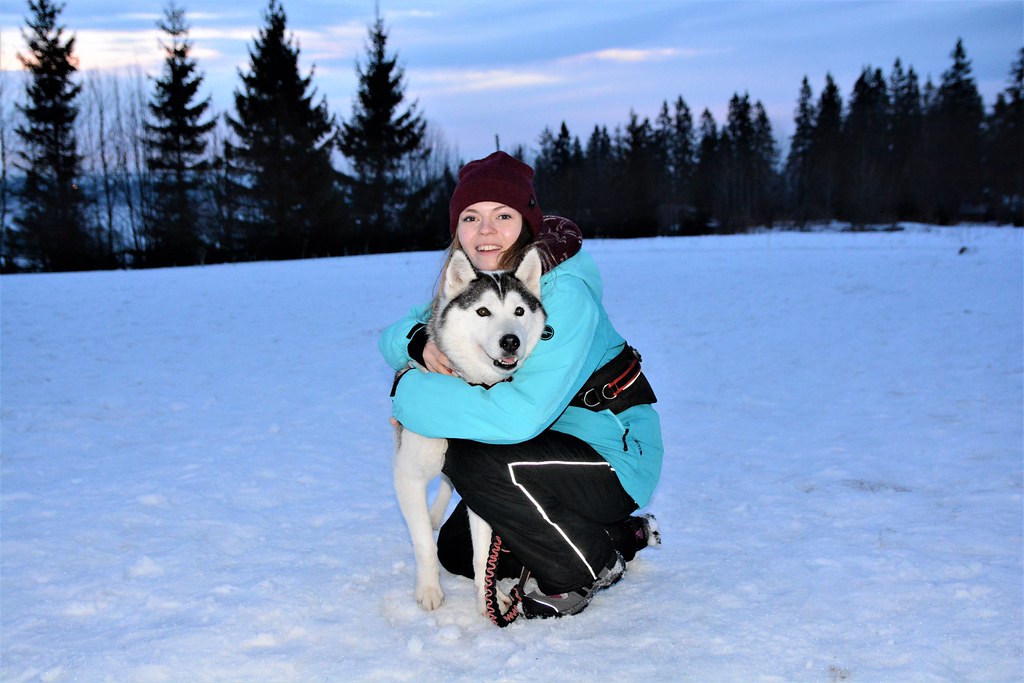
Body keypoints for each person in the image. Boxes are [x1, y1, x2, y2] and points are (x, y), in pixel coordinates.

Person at [379, 151, 663, 618]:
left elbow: (518, 417)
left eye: (502, 215)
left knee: (472, 456)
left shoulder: (559, 292)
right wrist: (416, 346)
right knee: (456, 553)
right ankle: (615, 533)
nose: (485, 230)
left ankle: (586, 565)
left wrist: (409, 395)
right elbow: (396, 333)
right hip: (546, 449)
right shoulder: (482, 283)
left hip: (611, 453)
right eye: (471, 217)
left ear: (526, 222)